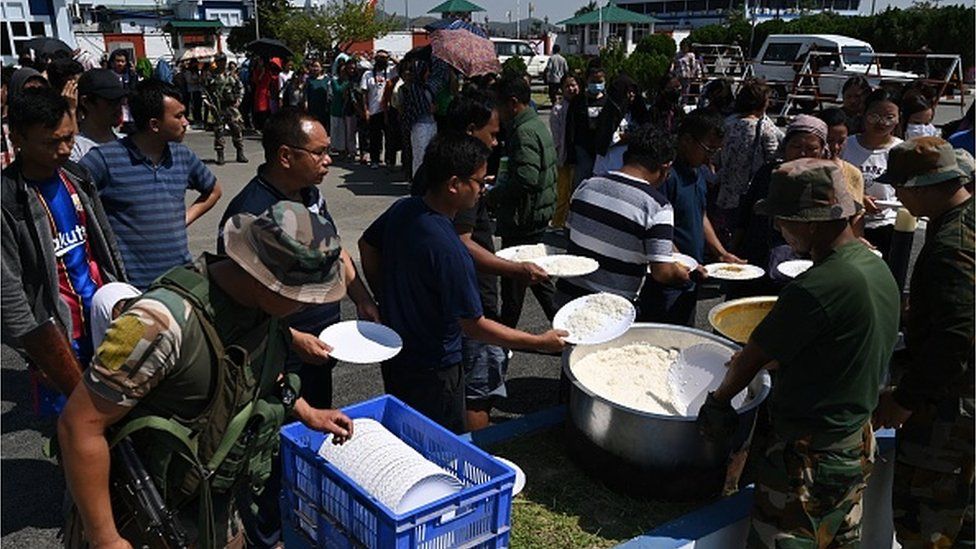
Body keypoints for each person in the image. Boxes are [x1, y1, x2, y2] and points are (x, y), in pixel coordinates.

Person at [58, 202, 356, 549]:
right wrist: (105, 538)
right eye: (301, 297)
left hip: (213, 505)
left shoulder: (261, 312)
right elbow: (79, 425)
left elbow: (253, 375)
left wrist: (307, 413)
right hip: (141, 514)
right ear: (264, 281)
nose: (309, 305)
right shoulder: (160, 324)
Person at [698, 158, 900, 548]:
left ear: (810, 222)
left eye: (783, 219)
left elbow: (752, 355)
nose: (778, 228)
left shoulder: (816, 285)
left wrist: (720, 403)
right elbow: (835, 345)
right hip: (856, 442)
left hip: (810, 459)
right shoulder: (875, 269)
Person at [215, 108, 378, 547]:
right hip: (275, 352)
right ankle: (268, 527)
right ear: (285, 155)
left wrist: (361, 297)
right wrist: (291, 336)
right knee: (269, 438)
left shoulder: (309, 194)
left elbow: (336, 251)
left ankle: (300, 500)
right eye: (320, 153)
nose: (329, 160)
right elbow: (238, 311)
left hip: (318, 344)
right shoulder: (249, 217)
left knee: (311, 425)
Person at [360, 134, 566, 433]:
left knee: (404, 430)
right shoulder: (450, 249)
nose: (484, 189)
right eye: (480, 182)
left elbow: (367, 245)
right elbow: (474, 326)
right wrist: (539, 342)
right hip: (435, 367)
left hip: (396, 354)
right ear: (454, 184)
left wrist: (383, 296)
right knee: (439, 439)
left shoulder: (404, 209)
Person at [415, 90, 549, 431]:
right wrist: (516, 269)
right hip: (472, 300)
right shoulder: (461, 187)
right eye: (492, 132)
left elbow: (369, 245)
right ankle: (478, 459)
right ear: (472, 129)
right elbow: (462, 243)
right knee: (479, 388)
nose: (496, 139)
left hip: (440, 308)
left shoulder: (433, 168)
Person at [871, 137, 975, 549]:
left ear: (922, 186)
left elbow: (957, 337)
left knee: (927, 527)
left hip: (949, 413)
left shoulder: (953, 246)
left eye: (900, 187)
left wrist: (905, 399)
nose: (897, 196)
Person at [1, 88, 127, 416]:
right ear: (17, 138)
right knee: (74, 425)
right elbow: (9, 286)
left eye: (69, 138)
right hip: (58, 336)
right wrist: (35, 349)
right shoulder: (8, 200)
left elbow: (105, 244)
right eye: (50, 142)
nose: (64, 149)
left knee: (117, 413)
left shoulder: (77, 176)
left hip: (103, 320)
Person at [81, 79, 222, 290]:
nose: (186, 122)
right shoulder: (105, 159)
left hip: (180, 283)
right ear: (154, 124)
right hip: (134, 289)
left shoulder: (182, 155)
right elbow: (71, 198)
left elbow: (213, 191)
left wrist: (181, 221)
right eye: (178, 116)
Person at [556, 124, 692, 309]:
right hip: (610, 309)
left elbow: (570, 234)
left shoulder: (585, 186)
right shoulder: (658, 207)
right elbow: (662, 272)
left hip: (567, 301)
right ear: (665, 167)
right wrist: (683, 273)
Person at [639, 112, 739, 325]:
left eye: (716, 150)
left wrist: (721, 254)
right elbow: (655, 228)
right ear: (685, 140)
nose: (710, 157)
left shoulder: (698, 172)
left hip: (690, 276)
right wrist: (683, 261)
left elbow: (700, 215)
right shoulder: (667, 175)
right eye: (708, 149)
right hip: (667, 279)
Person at [490, 74, 558, 328]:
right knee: (533, 279)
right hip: (533, 214)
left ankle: (503, 337)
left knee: (517, 279)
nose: (496, 110)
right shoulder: (534, 124)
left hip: (522, 217)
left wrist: (493, 194)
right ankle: (508, 332)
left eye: (499, 104)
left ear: (513, 103)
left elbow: (526, 178)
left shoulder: (523, 132)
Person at [713, 77, 783, 243]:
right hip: (752, 194)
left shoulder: (727, 123)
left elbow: (716, 157)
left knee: (725, 235)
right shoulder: (764, 127)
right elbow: (773, 158)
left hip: (726, 192)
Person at [841, 88, 903, 254]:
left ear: (898, 118)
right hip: (847, 224)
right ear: (864, 113)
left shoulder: (901, 149)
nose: (881, 123)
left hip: (887, 224)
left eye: (889, 117)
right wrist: (858, 199)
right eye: (874, 116)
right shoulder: (846, 145)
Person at [818, 107, 866, 233]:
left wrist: (856, 241)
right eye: (829, 140)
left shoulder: (853, 173)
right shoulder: (804, 169)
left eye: (841, 141)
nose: (835, 147)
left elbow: (857, 214)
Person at [593, 74, 648, 176]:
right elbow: (606, 139)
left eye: (633, 91)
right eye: (628, 91)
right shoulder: (610, 113)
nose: (632, 94)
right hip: (608, 167)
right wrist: (630, 138)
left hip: (630, 169)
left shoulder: (637, 113)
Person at [566, 63, 607, 188]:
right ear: (587, 80)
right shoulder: (578, 101)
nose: (596, 84)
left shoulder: (608, 102)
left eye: (599, 81)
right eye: (593, 81)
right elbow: (570, 128)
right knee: (581, 183)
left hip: (602, 151)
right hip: (583, 149)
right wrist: (571, 153)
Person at [71, 69, 126, 162]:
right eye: (111, 101)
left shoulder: (128, 144)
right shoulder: (74, 149)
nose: (118, 107)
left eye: (120, 100)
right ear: (86, 102)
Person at [207, 53, 248, 165]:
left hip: (231, 107)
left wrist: (239, 100)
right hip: (218, 107)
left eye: (221, 61)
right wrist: (209, 104)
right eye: (218, 61)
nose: (219, 63)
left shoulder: (231, 75)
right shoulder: (211, 75)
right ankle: (220, 155)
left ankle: (240, 153)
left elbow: (240, 87)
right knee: (219, 131)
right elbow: (205, 91)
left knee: (237, 129)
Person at [550, 74, 580, 228]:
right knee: (563, 193)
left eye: (574, 85)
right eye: (567, 86)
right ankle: (557, 223)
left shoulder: (583, 106)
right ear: (562, 89)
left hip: (580, 158)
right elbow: (556, 137)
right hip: (564, 157)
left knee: (577, 193)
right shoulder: (558, 109)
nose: (571, 89)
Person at [360, 50, 393, 168]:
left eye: (384, 58)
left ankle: (389, 160)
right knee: (375, 137)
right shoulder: (367, 74)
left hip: (387, 110)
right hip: (374, 110)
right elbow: (364, 93)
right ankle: (375, 159)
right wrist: (366, 110)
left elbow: (402, 67)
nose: (382, 60)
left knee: (389, 137)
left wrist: (390, 57)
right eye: (379, 58)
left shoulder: (390, 72)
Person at [329, 58, 358, 160]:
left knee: (349, 132)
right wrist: (346, 83)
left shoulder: (351, 80)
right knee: (340, 132)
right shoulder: (336, 81)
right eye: (341, 71)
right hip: (339, 109)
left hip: (350, 109)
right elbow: (338, 90)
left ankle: (351, 151)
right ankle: (342, 150)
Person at [304, 58, 332, 128]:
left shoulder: (327, 80)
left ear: (321, 68)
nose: (315, 68)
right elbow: (306, 95)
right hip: (313, 108)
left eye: (317, 66)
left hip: (324, 108)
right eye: (314, 66)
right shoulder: (309, 80)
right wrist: (306, 106)